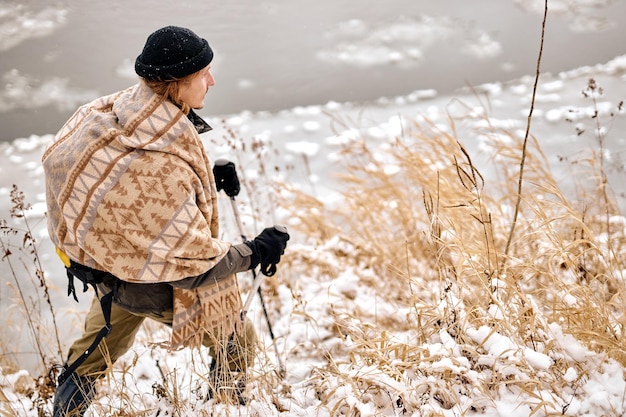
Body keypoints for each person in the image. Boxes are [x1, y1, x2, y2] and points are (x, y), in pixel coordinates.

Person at [43, 26, 289, 416]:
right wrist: (256, 251)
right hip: (152, 281)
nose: (212, 80)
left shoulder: (119, 110)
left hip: (109, 266)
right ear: (176, 84)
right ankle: (227, 406)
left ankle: (64, 410)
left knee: (97, 347)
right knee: (235, 336)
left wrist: (205, 178)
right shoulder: (160, 167)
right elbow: (194, 265)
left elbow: (132, 185)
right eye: (202, 75)